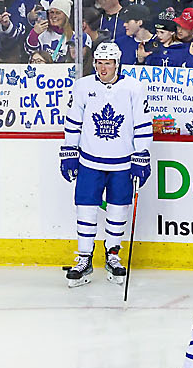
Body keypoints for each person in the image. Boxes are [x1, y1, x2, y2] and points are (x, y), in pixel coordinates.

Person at [58, 39, 153, 286]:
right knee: (85, 208)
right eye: (99, 63)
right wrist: (69, 151)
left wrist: (141, 155)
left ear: (117, 64)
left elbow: (142, 125)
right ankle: (84, 258)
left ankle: (113, 255)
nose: (102, 68)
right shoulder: (82, 86)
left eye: (108, 63)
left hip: (122, 163)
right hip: (90, 161)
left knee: (118, 208)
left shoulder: (133, 88)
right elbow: (73, 121)